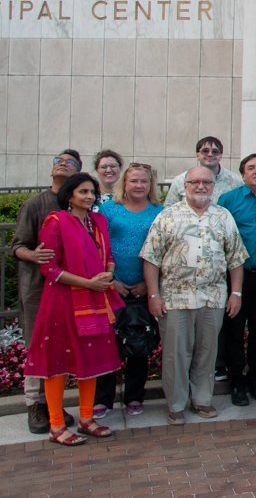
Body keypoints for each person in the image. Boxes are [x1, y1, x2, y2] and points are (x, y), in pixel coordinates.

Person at [142, 166, 248, 425]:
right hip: (176, 299)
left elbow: (235, 258)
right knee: (176, 354)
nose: (201, 187)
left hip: (213, 298)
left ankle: (202, 399)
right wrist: (153, 295)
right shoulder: (168, 216)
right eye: (195, 182)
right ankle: (176, 404)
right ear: (185, 185)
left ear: (213, 186)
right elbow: (151, 258)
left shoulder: (223, 216)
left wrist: (235, 292)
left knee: (207, 352)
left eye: (207, 183)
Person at [23, 172, 124, 446]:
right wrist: (88, 283)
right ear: (70, 195)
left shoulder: (98, 221)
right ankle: (56, 425)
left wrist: (108, 274)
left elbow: (109, 256)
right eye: (83, 192)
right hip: (62, 302)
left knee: (89, 359)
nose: (89, 197)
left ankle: (86, 418)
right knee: (57, 362)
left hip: (94, 298)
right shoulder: (56, 222)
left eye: (92, 192)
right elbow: (49, 268)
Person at [11, 149, 82, 433]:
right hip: (38, 289)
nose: (63, 165)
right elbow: (18, 246)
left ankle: (52, 403)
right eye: (59, 161)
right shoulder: (35, 204)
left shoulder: (77, 205)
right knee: (37, 344)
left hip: (69, 287)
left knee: (60, 344)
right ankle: (34, 404)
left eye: (70, 163)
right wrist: (34, 256)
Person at [93, 162, 162, 418]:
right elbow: (98, 248)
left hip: (144, 287)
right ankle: (103, 398)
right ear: (125, 183)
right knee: (108, 344)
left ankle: (135, 395)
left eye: (144, 181)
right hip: (112, 286)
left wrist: (148, 284)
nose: (139, 185)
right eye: (134, 181)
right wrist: (111, 281)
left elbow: (164, 251)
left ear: (150, 184)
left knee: (138, 342)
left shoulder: (159, 212)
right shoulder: (109, 210)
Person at [217, 154, 256, 406]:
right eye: (250, 168)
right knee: (233, 330)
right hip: (236, 277)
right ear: (242, 174)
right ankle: (236, 381)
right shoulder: (228, 200)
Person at [164, 136, 243, 205]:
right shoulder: (180, 180)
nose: (210, 154)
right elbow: (168, 208)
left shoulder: (236, 181)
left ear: (220, 156)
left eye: (215, 151)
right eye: (205, 151)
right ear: (197, 155)